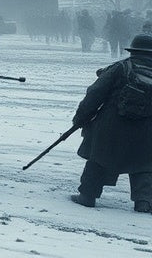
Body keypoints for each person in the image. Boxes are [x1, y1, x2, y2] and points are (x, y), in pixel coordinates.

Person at [69, 33, 152, 212]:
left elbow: (95, 93)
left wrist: (80, 118)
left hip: (111, 126)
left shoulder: (120, 67)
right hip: (146, 129)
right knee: (144, 165)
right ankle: (144, 202)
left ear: (133, 51)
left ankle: (87, 196)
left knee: (98, 159)